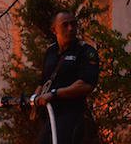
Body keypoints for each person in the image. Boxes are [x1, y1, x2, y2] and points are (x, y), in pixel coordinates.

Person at [31, 11, 99, 144]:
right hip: (49, 117)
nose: (70, 28)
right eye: (65, 25)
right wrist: (33, 100)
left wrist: (54, 94)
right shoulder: (50, 51)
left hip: (72, 116)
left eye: (73, 24)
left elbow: (86, 85)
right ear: (54, 29)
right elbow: (43, 82)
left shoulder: (86, 51)